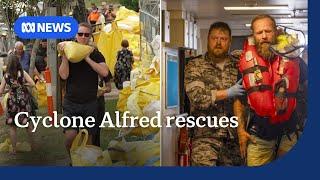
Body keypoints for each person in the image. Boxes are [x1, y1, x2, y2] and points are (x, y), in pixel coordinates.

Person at [236, 15, 307, 166]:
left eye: (268, 31)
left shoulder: (294, 60)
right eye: (259, 32)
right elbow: (239, 100)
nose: (264, 36)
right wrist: (240, 131)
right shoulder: (246, 63)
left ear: (275, 31)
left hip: (289, 133)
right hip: (259, 135)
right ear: (253, 35)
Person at [184, 22, 245, 166]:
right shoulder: (195, 65)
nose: (218, 43)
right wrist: (228, 93)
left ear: (230, 42)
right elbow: (197, 97)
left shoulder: (239, 64)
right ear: (208, 39)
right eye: (214, 38)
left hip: (233, 139)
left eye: (223, 39)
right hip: (205, 137)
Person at [58, 22, 109, 157]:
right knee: (70, 137)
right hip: (71, 103)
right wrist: (64, 56)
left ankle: (86, 164)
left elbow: (104, 72)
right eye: (80, 34)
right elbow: (63, 75)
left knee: (89, 141)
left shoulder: (95, 54)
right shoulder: (69, 52)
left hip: (90, 103)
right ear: (76, 35)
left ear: (90, 37)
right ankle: (73, 161)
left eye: (86, 35)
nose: (83, 37)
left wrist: (87, 58)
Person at [0, 55, 35, 154]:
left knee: (13, 126)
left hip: (12, 102)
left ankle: (14, 149)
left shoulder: (6, 75)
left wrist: (9, 89)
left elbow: (1, 91)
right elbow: (32, 84)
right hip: (23, 100)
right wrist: (23, 85)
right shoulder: (23, 73)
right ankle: (33, 146)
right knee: (27, 124)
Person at [93, 74, 112, 147]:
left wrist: (102, 91)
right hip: (85, 103)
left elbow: (109, 87)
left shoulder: (102, 68)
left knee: (96, 131)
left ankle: (96, 151)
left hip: (98, 103)